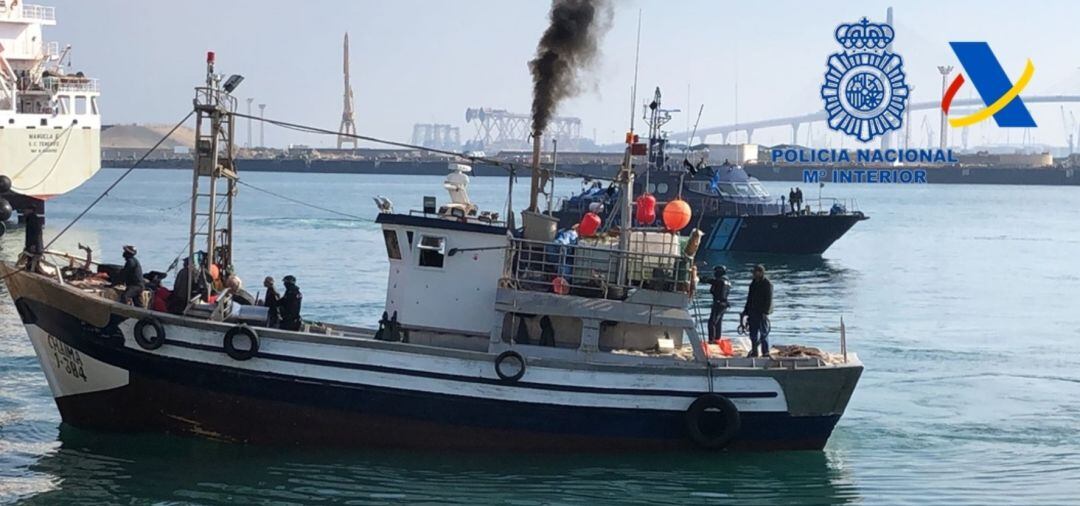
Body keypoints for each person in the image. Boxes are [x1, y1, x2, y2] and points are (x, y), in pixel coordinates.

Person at [740, 264, 773, 357]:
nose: (753, 274)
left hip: (762, 313)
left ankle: (765, 352)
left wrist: (765, 312)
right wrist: (745, 311)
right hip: (752, 312)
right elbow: (749, 298)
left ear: (761, 272)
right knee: (753, 334)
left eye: (755, 272)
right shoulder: (753, 283)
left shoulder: (767, 284)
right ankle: (755, 352)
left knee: (764, 333)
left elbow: (769, 300)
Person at [707, 265, 731, 343]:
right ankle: (717, 339)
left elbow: (711, 281)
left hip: (718, 303)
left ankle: (711, 340)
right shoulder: (727, 281)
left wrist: (699, 279)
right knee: (718, 322)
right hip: (724, 304)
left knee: (712, 322)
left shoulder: (720, 281)